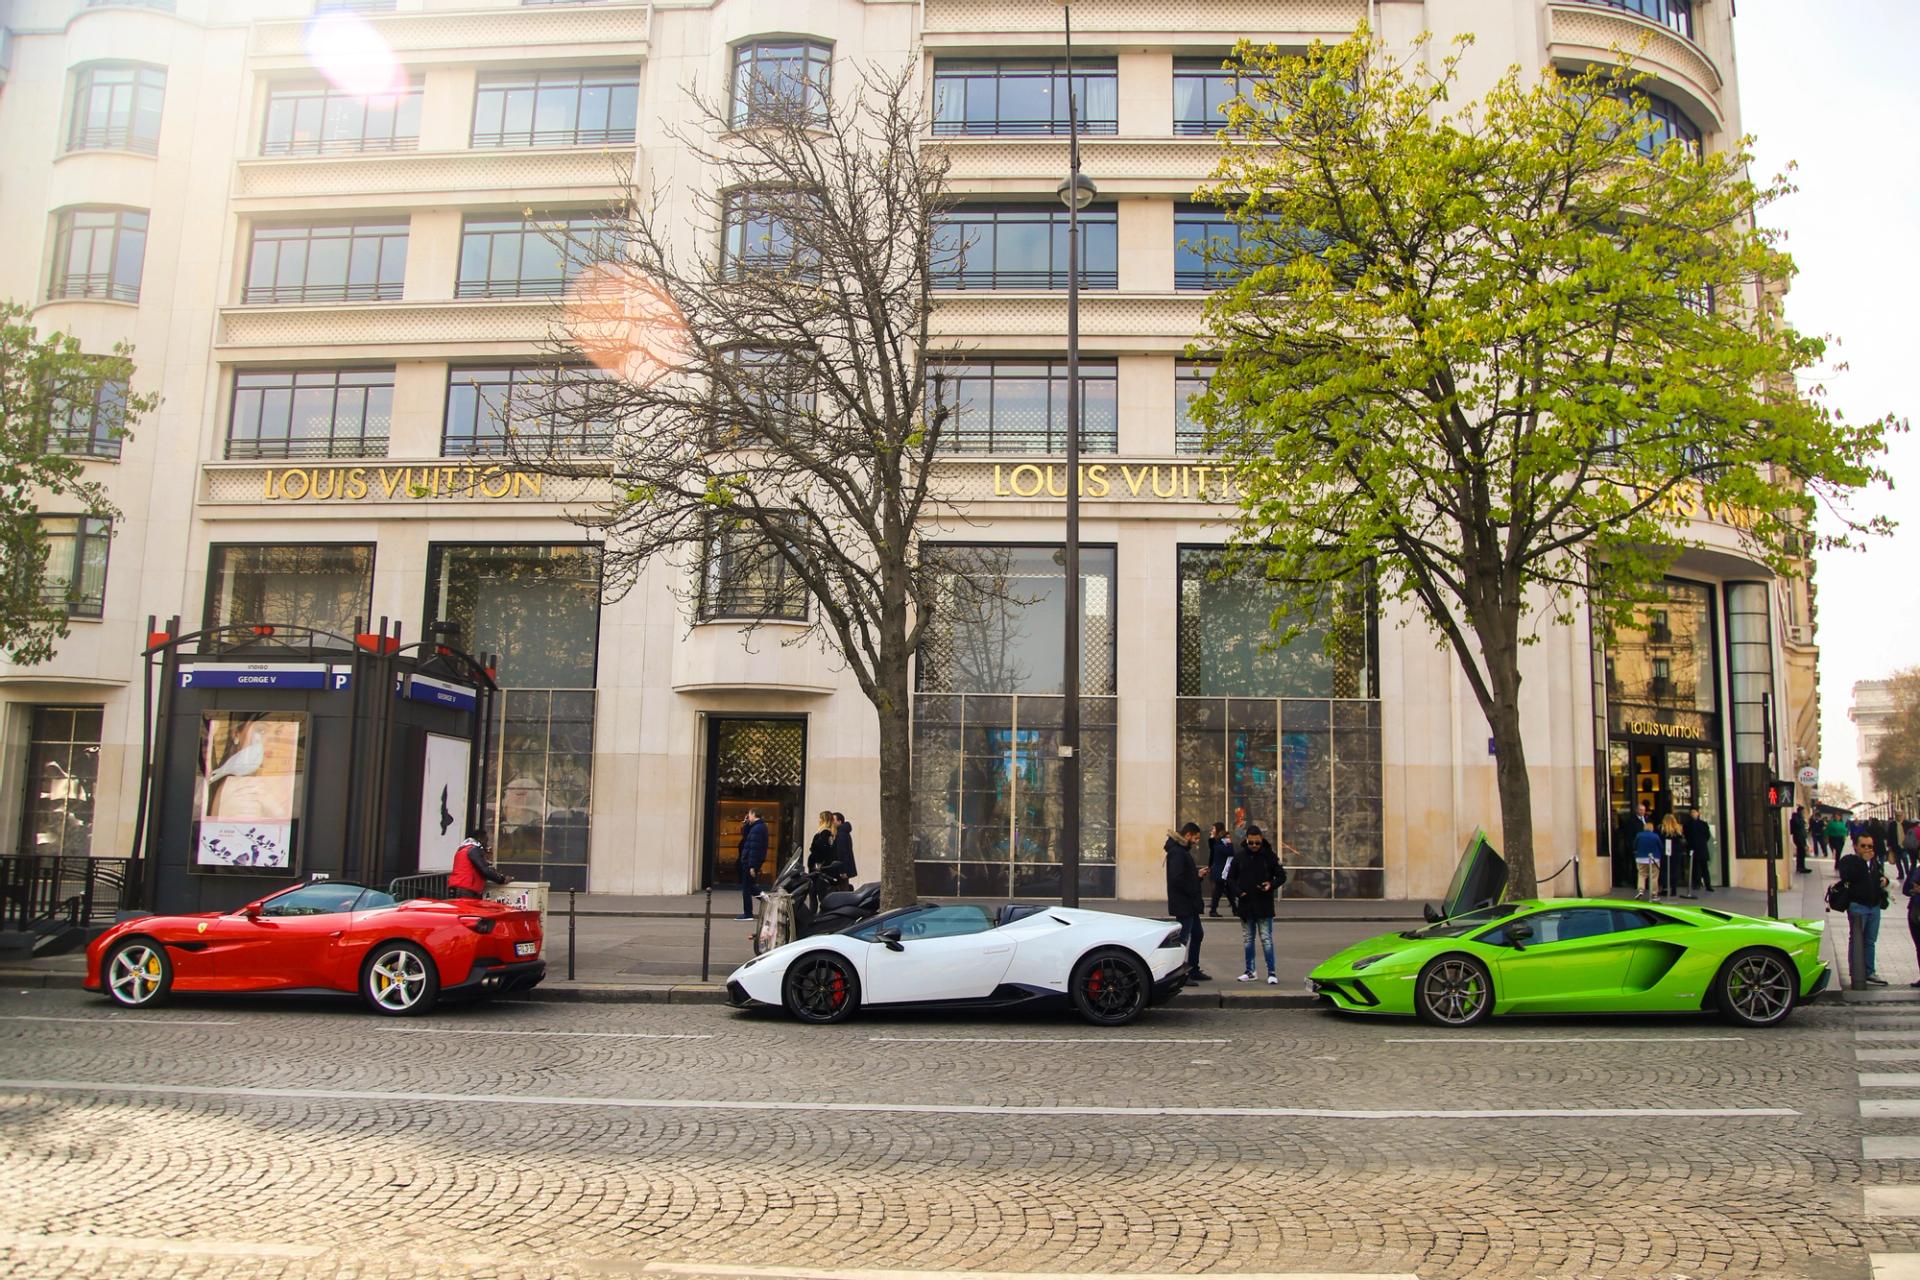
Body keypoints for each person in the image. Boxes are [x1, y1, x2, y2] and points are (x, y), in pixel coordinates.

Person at [1231, 824, 1284, 984]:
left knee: (1266, 939)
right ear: (1246, 841)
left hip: (1264, 905)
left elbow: (1281, 876)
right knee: (1248, 939)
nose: (1254, 846)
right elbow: (1230, 878)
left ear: (1262, 840)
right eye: (1251, 843)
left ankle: (1272, 972)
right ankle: (1250, 970)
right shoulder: (1239, 857)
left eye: (1257, 843)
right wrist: (1239, 892)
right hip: (1246, 905)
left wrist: (1270, 885)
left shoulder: (1269, 856)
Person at [1839, 834, 1890, 989]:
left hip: (1873, 907)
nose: (1868, 849)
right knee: (1856, 940)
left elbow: (1879, 876)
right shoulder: (1849, 861)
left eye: (1870, 846)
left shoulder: (1874, 862)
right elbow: (1848, 876)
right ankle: (1856, 973)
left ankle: (1869, 971)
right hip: (1858, 906)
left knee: (1870, 941)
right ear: (1856, 846)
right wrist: (1863, 862)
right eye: (1864, 846)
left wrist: (1885, 880)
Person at [1164, 822, 1210, 982]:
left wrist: (1196, 875)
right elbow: (1177, 879)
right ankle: (1178, 973)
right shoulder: (1178, 852)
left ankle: (1193, 969)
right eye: (1196, 838)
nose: (1197, 841)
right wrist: (1194, 881)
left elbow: (1182, 875)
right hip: (1184, 903)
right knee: (1183, 939)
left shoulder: (1180, 851)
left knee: (1197, 934)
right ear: (1188, 835)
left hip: (1188, 903)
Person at [448, 829, 511, 900]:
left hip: (460, 887)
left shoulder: (464, 848)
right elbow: (485, 870)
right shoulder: (473, 849)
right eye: (486, 840)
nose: (487, 843)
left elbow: (475, 868)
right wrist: (502, 879)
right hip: (466, 889)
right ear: (480, 838)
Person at [735, 809, 769, 920]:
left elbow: (755, 849)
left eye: (749, 815)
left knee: (747, 888)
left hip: (750, 862)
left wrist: (752, 866)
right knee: (749, 887)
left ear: (754, 814)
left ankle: (749, 912)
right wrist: (746, 823)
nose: (748, 817)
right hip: (748, 861)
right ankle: (765, 898)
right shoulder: (756, 827)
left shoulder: (758, 828)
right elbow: (746, 837)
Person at [1206, 820, 1238, 917]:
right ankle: (1232, 909)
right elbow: (1229, 851)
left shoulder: (1219, 843)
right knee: (1222, 890)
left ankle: (1234, 909)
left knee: (1225, 890)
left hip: (1223, 870)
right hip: (1221, 870)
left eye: (1213, 829)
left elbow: (1230, 852)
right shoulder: (1218, 843)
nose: (1229, 839)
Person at [1683, 807, 1714, 894]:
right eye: (1691, 812)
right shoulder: (1687, 824)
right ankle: (1696, 883)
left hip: (1702, 848)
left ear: (1698, 813)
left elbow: (1707, 836)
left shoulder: (1703, 824)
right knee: (1694, 867)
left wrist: (1702, 842)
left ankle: (1708, 884)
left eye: (1694, 812)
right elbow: (1686, 835)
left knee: (1704, 867)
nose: (1693, 814)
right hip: (1692, 848)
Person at [1659, 812, 1689, 899]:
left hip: (1665, 852)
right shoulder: (1678, 829)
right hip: (1676, 852)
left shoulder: (1662, 829)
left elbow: (1660, 840)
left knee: (1665, 871)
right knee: (1675, 871)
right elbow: (1682, 841)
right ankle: (1674, 889)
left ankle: (1665, 888)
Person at [1633, 817, 1663, 901]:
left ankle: (1641, 890)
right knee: (1654, 876)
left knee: (1642, 874)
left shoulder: (1639, 835)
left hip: (1640, 858)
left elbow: (1634, 845)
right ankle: (1654, 894)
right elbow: (1660, 846)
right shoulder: (1655, 836)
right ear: (1652, 828)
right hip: (1654, 858)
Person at [832, 811, 858, 879]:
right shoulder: (843, 832)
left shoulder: (841, 834)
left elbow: (843, 853)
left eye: (833, 820)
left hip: (843, 871)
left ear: (839, 821)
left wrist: (843, 871)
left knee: (843, 888)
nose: (832, 822)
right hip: (844, 869)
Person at [1790, 805, 1809, 874]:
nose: (1804, 813)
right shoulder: (1796, 817)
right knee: (1801, 852)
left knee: (1802, 853)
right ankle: (1800, 867)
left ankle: (1802, 866)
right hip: (1798, 837)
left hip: (1801, 837)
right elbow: (1799, 825)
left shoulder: (1800, 818)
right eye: (1803, 812)